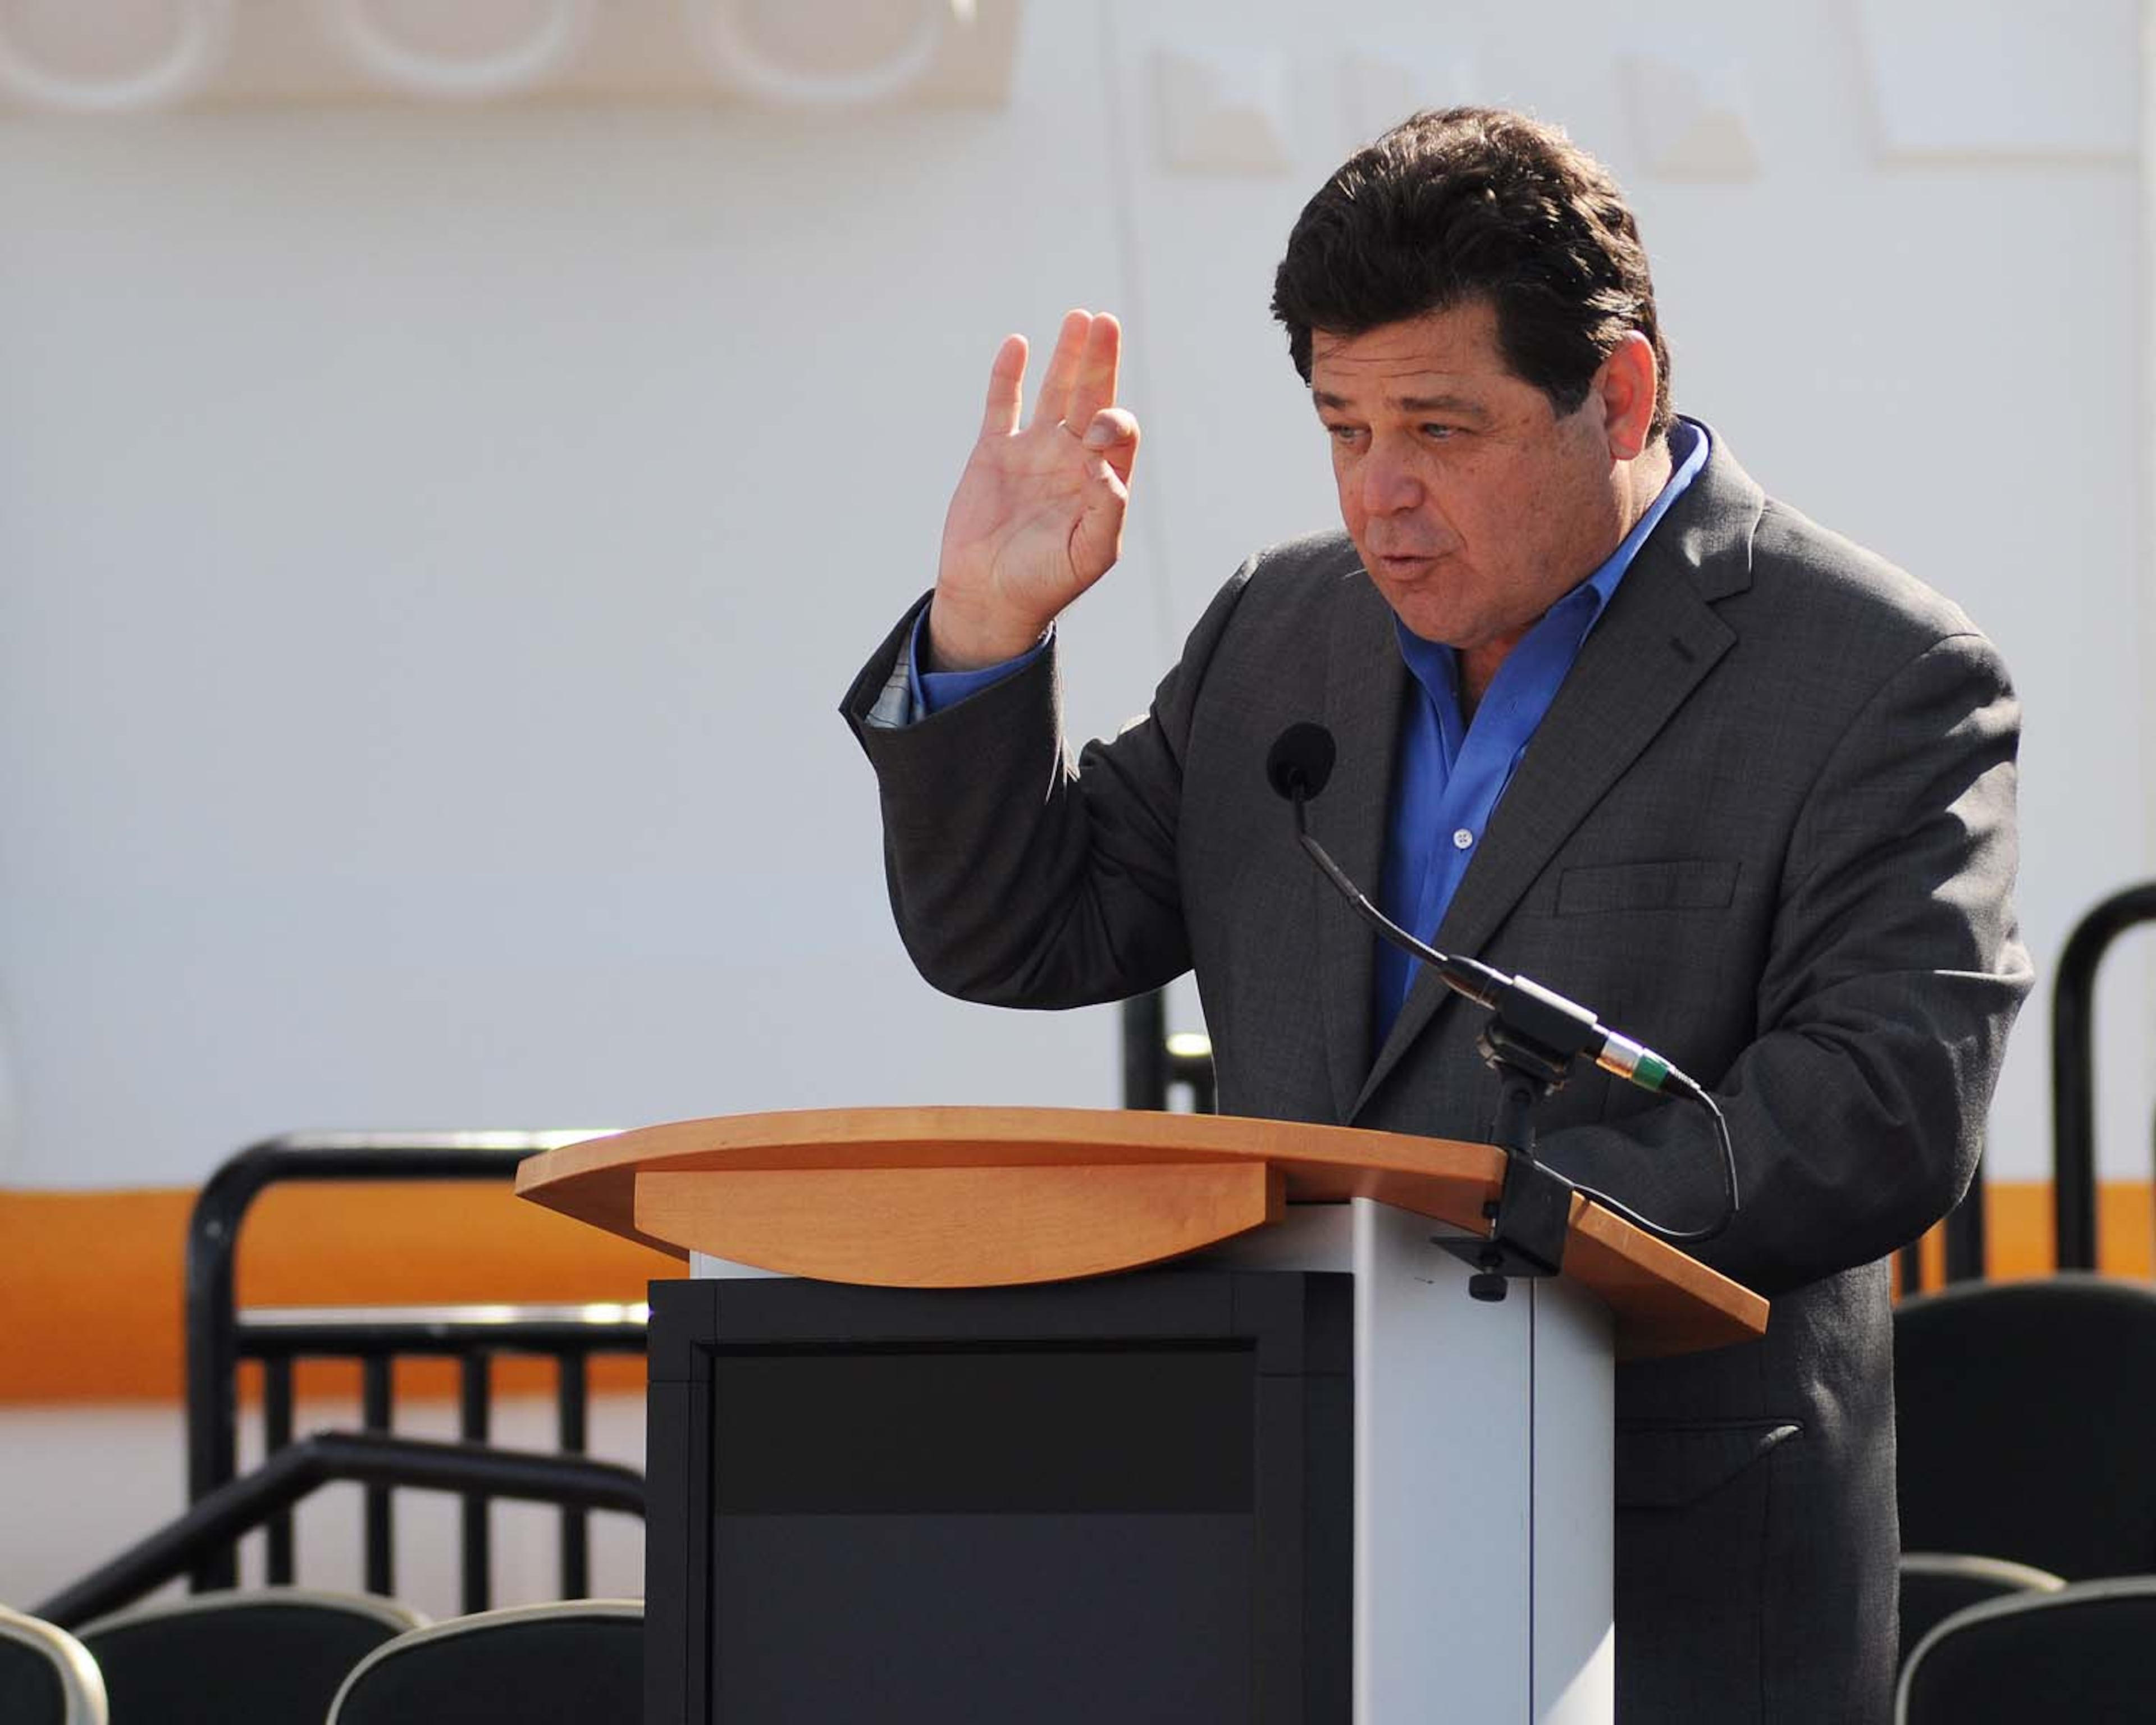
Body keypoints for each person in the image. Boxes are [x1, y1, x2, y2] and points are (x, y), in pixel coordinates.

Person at [841, 106, 2029, 1722]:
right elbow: (1019, 930)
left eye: (1441, 432)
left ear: (1620, 391)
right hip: (1302, 1549)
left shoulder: (1878, 671)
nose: (1381, 498)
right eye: (1342, 430)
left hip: (1663, 1583)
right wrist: (985, 632)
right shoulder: (1281, 632)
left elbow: (1881, 1105)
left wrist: (1474, 1231)